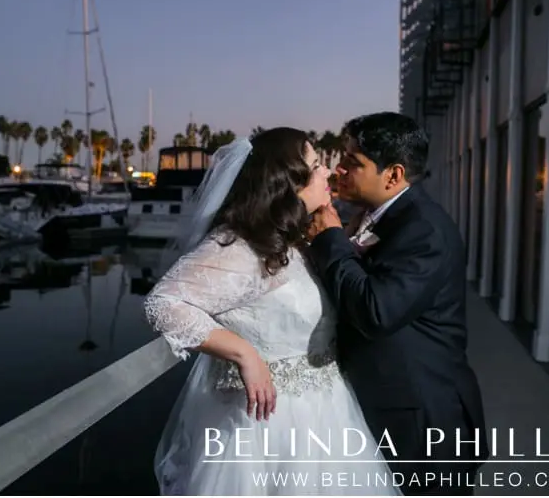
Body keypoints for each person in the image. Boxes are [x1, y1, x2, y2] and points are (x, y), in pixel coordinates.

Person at [144, 128, 402, 496]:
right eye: (316, 166)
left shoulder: (296, 238)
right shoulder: (239, 247)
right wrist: (242, 353)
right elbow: (162, 304)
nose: (328, 173)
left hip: (326, 412)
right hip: (266, 424)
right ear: (288, 182)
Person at [306, 112, 489, 495]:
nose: (339, 169)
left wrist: (331, 241)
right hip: (389, 406)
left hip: (423, 425)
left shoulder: (424, 229)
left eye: (354, 163)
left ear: (393, 175)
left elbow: (377, 311)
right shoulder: (378, 216)